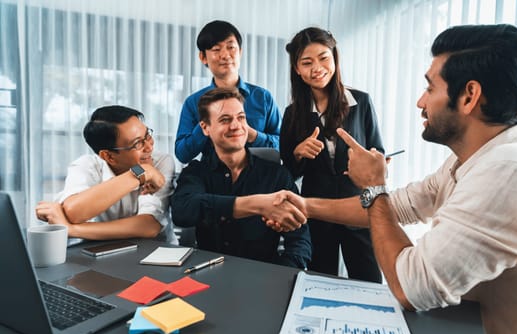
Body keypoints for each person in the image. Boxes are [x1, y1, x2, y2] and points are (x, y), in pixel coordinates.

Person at [271, 24, 517, 334]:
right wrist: (304, 205)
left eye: (430, 88)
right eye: (306, 62)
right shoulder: (470, 157)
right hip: (465, 329)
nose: (420, 101)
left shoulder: (506, 170)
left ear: (469, 96)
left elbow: (411, 287)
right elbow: (405, 204)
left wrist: (374, 185)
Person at [280, 27, 385, 281]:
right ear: (297, 69)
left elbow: (377, 150)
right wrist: (298, 152)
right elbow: (288, 173)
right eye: (307, 62)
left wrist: (375, 163)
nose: (317, 67)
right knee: (320, 281)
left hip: (357, 208)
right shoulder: (293, 114)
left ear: (335, 59)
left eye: (324, 58)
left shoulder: (361, 102)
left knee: (369, 280)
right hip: (317, 212)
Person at [171, 88, 311, 268]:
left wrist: (283, 274)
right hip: (209, 274)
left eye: (241, 117)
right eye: (225, 120)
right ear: (205, 128)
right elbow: (183, 211)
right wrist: (257, 204)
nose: (236, 126)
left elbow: (300, 241)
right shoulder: (196, 172)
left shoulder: (276, 174)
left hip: (263, 275)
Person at [35, 105, 177, 243]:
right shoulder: (86, 166)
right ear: (109, 157)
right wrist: (140, 173)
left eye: (147, 135)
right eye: (138, 143)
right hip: (101, 252)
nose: (149, 146)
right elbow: (73, 213)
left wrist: (71, 230)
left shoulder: (161, 162)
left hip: (155, 253)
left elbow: (149, 225)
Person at [175, 20, 281, 164]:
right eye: (216, 49)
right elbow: (182, 154)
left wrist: (252, 135)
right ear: (203, 57)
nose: (225, 55)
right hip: (211, 178)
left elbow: (283, 145)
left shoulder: (262, 97)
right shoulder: (193, 102)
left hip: (258, 177)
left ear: (240, 52)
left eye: (231, 47)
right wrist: (207, 125)